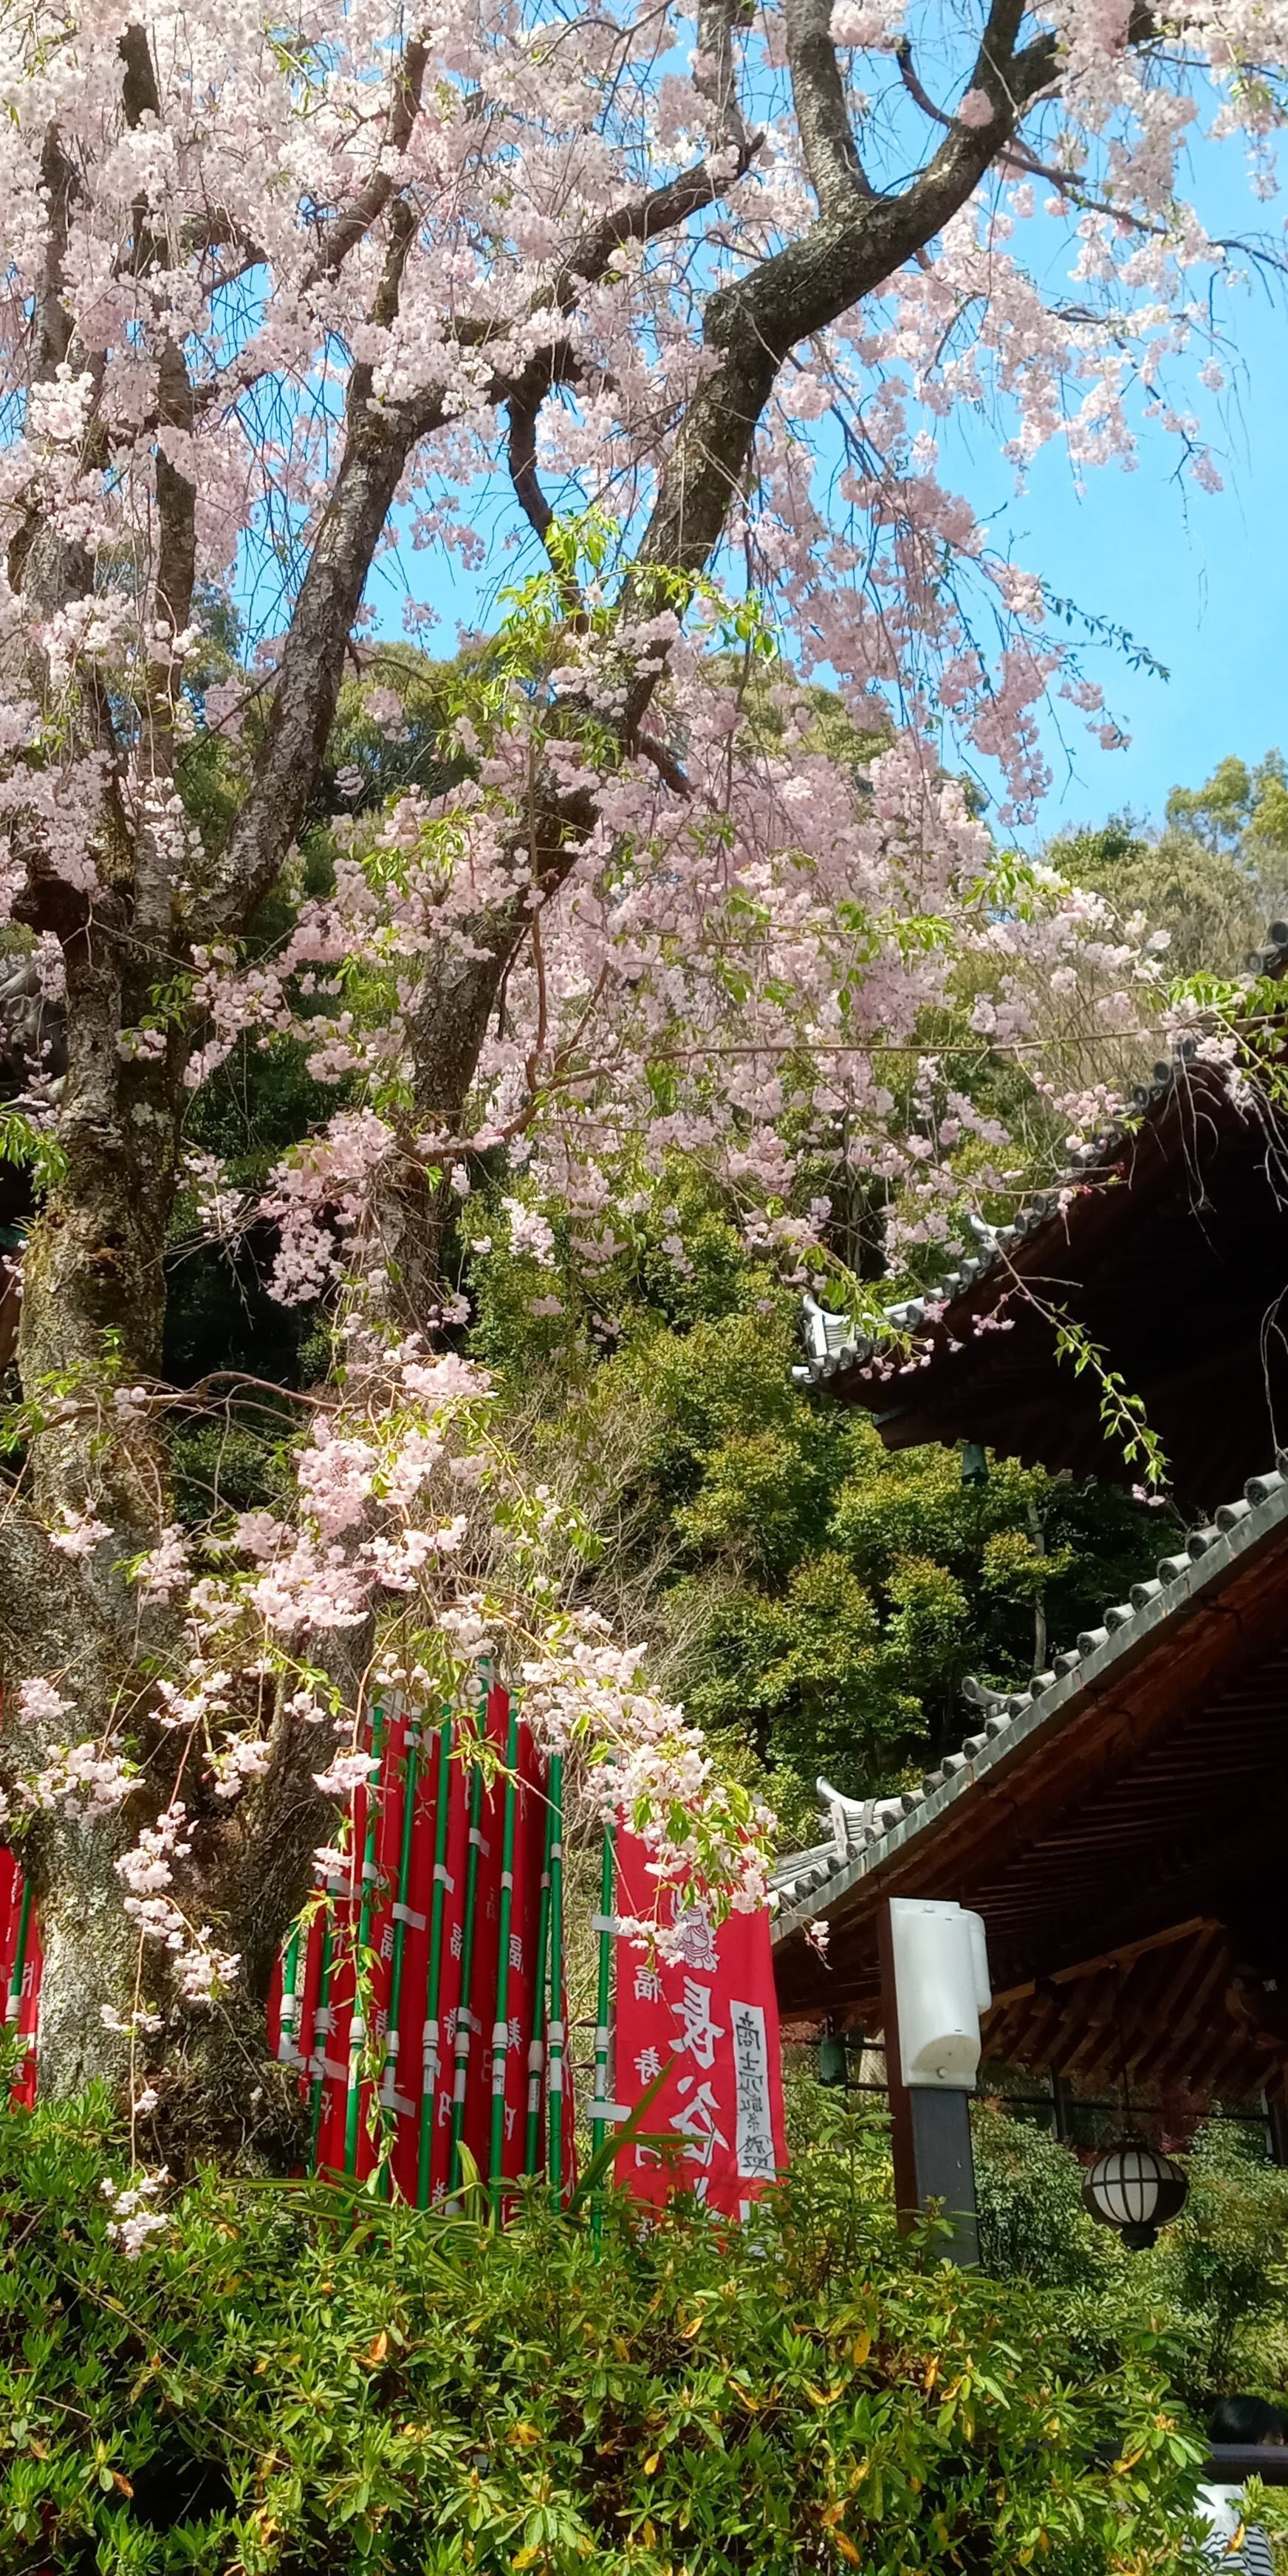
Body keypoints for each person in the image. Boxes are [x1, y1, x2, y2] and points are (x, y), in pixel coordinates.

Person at [1197, 2396, 1287, 2575]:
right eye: (1275, 2443)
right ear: (1245, 2437)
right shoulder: (1219, 2504)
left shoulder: (1236, 2501)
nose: (1282, 2454)